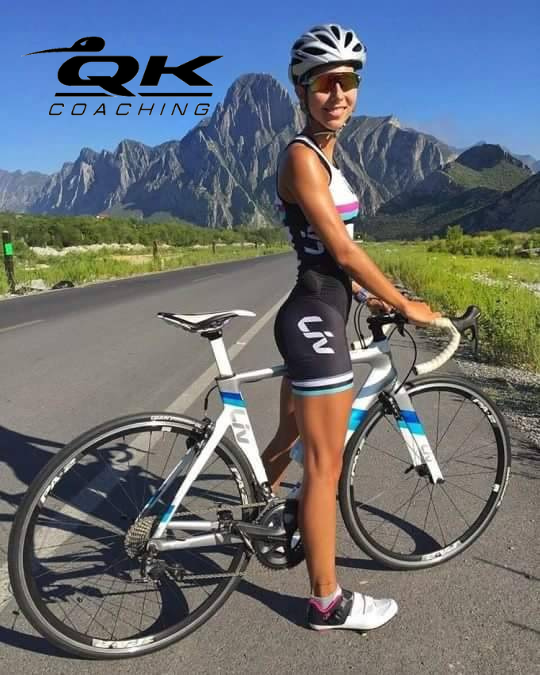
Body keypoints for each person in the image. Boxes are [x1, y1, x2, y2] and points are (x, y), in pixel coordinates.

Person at [260, 23, 441, 632]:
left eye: (348, 82)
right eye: (324, 84)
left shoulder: (328, 156)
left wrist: (368, 294)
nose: (338, 94)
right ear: (302, 90)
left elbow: (331, 255)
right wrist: (405, 303)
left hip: (326, 308)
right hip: (313, 315)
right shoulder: (300, 156)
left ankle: (257, 513)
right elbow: (339, 248)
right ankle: (326, 602)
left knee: (290, 435)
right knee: (324, 465)